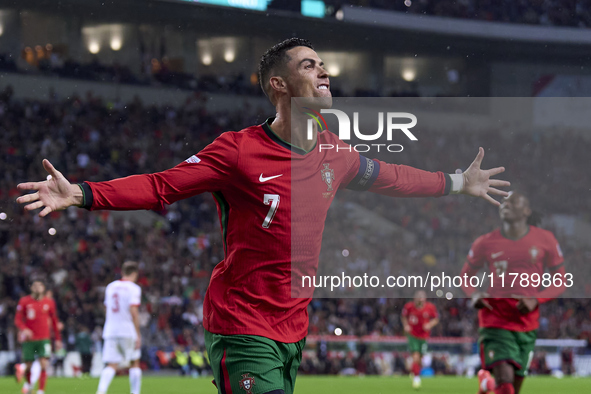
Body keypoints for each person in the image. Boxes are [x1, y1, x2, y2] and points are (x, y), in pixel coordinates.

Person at [17, 38, 509, 394]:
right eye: (310, 65)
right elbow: (161, 186)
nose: (324, 73)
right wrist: (82, 193)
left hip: (292, 327)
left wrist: (458, 182)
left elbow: (395, 176)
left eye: (324, 65)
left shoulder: (336, 153)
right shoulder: (237, 152)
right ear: (279, 83)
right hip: (240, 322)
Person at [460, 192, 567, 394]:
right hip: (495, 320)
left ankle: (486, 384)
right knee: (506, 387)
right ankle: (492, 383)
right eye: (504, 201)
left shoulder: (546, 240)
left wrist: (536, 299)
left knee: (511, 390)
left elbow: (560, 280)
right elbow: (465, 276)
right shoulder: (485, 242)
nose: (506, 203)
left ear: (527, 211)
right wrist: (474, 294)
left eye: (514, 201)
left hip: (527, 324)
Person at [96, 261, 142, 394]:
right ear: (135, 274)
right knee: (134, 362)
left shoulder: (110, 287)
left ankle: (101, 391)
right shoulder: (134, 288)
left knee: (111, 364)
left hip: (110, 330)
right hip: (127, 330)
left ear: (122, 272)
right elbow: (134, 312)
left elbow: (106, 308)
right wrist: (138, 334)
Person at [14, 279, 62, 394]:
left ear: (44, 288)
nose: (37, 288)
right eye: (35, 285)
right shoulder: (24, 301)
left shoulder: (49, 302)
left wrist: (58, 339)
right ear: (31, 288)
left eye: (40, 285)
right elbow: (17, 319)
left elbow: (55, 321)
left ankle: (41, 391)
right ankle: (29, 385)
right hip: (29, 339)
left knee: (43, 363)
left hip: (44, 338)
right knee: (29, 365)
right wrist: (24, 329)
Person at [401, 290, 439, 389]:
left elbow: (436, 319)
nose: (420, 301)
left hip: (424, 336)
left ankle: (414, 371)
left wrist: (429, 325)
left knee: (420, 359)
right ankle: (416, 379)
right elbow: (403, 316)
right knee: (416, 356)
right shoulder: (409, 307)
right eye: (419, 299)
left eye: (422, 299)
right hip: (413, 335)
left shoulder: (430, 307)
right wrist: (406, 326)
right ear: (415, 299)